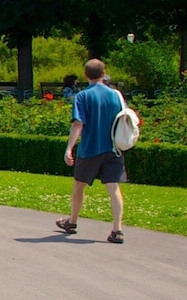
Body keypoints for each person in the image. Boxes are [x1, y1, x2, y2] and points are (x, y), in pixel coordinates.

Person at [57, 59, 130, 244]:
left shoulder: (82, 96)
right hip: (113, 149)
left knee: (79, 186)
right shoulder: (116, 95)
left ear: (85, 75)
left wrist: (69, 148)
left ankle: (72, 222)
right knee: (113, 188)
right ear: (104, 73)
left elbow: (78, 123)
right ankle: (117, 230)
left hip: (90, 148)